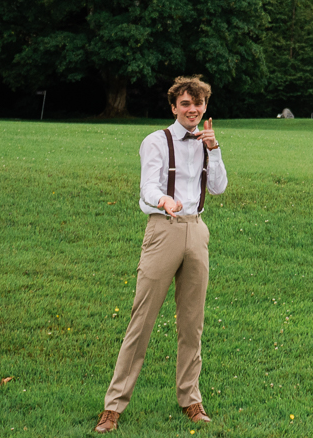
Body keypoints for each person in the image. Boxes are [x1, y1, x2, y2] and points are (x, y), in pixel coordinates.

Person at [94, 77, 228, 433]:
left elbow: (218, 187)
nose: (193, 110)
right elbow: (147, 186)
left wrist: (214, 151)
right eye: (185, 104)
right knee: (142, 320)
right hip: (163, 229)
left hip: (197, 230)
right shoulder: (156, 141)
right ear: (173, 107)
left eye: (198, 104)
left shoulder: (206, 141)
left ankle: (191, 399)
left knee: (192, 323)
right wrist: (163, 200)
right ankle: (114, 406)